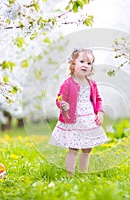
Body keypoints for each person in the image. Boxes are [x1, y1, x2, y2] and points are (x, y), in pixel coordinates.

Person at [49, 48, 108, 177]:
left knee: (87, 149)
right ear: (73, 64)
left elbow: (98, 99)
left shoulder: (92, 84)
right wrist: (62, 105)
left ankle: (83, 174)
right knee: (74, 148)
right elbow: (60, 98)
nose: (85, 65)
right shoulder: (68, 83)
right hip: (74, 120)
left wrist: (100, 113)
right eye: (82, 61)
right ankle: (70, 175)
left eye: (89, 63)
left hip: (88, 120)